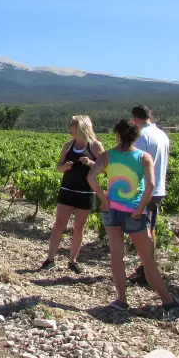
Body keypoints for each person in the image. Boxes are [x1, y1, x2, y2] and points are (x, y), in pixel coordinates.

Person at [87, 119, 179, 315]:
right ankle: (168, 301)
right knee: (147, 259)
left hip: (111, 210)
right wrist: (140, 208)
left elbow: (91, 178)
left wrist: (103, 199)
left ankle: (121, 300)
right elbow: (151, 186)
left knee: (116, 257)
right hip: (134, 212)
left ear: (117, 134)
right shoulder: (144, 157)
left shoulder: (106, 156)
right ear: (136, 137)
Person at [39, 115, 105, 273]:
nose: (70, 129)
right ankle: (50, 259)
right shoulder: (68, 146)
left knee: (79, 227)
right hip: (67, 189)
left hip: (86, 191)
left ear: (82, 127)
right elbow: (58, 167)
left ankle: (73, 261)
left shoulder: (95, 146)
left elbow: (103, 169)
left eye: (72, 126)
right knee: (58, 225)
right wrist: (65, 167)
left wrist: (90, 164)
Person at [128, 104, 171, 286]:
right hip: (158, 188)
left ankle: (147, 270)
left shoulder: (141, 136)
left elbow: (134, 163)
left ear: (135, 119)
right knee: (149, 228)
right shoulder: (162, 134)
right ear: (149, 116)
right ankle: (145, 268)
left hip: (144, 190)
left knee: (143, 232)